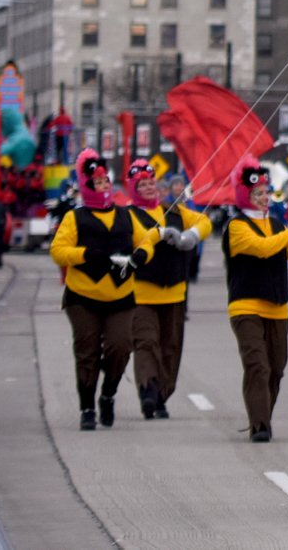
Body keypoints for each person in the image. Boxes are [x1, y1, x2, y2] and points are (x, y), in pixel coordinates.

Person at [49, 149, 158, 431]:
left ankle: (108, 394)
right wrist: (85, 254)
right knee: (86, 352)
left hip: (120, 297)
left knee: (120, 347)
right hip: (82, 297)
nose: (105, 186)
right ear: (88, 186)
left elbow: (146, 239)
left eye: (106, 181)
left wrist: (142, 255)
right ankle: (87, 406)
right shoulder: (76, 217)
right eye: (98, 182)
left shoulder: (125, 215)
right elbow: (58, 251)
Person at [222, 158, 288, 442]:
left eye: (265, 192)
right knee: (257, 365)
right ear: (245, 196)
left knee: (276, 368)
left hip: (277, 309)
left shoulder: (276, 224)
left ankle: (262, 415)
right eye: (258, 194)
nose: (264, 198)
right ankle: (260, 424)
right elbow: (262, 249)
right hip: (246, 306)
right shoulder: (236, 226)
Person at [125, 157, 211, 419]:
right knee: (146, 342)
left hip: (174, 292)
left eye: (152, 183)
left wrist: (190, 236)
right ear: (133, 189)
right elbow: (138, 239)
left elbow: (205, 222)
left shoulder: (174, 211)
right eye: (142, 185)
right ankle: (147, 390)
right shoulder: (128, 215)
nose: (149, 188)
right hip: (141, 292)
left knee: (170, 347)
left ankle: (162, 395)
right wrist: (160, 235)